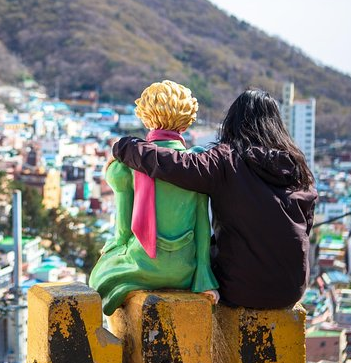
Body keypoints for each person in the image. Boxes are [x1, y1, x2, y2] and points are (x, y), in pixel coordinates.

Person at [112, 89, 317, 309]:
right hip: (290, 290)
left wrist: (126, 146)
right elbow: (306, 225)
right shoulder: (297, 167)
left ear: (233, 122)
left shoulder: (227, 159)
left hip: (242, 289)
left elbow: (177, 165)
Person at [89, 80, 219, 316]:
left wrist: (114, 249)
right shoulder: (197, 163)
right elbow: (203, 225)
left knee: (100, 274)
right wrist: (204, 277)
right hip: (186, 270)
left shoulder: (129, 165)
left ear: (146, 116)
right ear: (187, 119)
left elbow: (123, 232)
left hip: (144, 265)